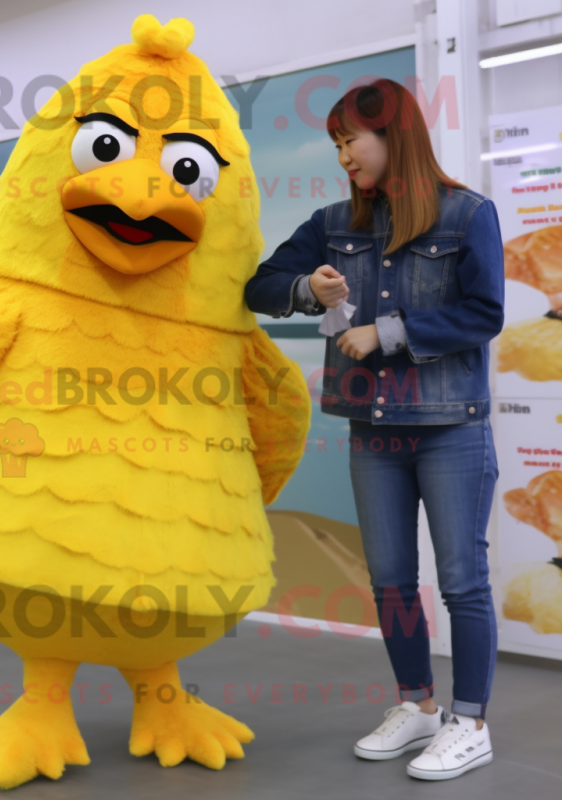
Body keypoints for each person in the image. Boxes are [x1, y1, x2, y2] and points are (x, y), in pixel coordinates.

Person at [244, 79, 504, 781]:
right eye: (332, 144)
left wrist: (385, 331)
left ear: (394, 137)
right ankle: (417, 705)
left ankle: (470, 719)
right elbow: (259, 286)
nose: (342, 157)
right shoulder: (331, 223)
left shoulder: (468, 214)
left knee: (462, 582)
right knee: (390, 581)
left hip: (452, 427)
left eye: (349, 141)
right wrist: (309, 291)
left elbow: (484, 314)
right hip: (374, 430)